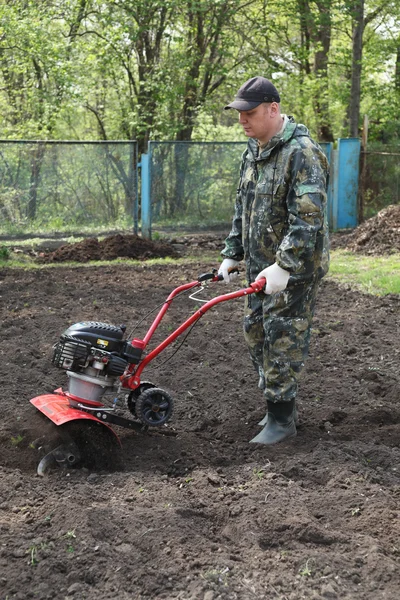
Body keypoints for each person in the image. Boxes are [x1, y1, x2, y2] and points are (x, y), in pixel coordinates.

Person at [218, 76, 329, 445]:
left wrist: (284, 266)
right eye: (239, 114)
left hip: (294, 270)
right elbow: (242, 206)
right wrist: (232, 252)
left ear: (273, 109)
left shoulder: (302, 153)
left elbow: (308, 218)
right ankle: (280, 403)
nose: (243, 120)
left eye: (249, 113)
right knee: (254, 331)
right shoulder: (254, 151)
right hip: (259, 268)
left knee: (281, 336)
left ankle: (281, 420)